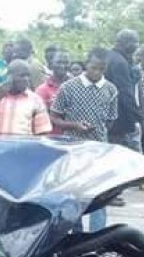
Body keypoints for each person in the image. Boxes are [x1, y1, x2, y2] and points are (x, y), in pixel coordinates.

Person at [50, 48, 119, 231]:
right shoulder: (69, 87)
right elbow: (55, 117)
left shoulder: (110, 89)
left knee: (99, 194)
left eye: (101, 69)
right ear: (86, 64)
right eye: (94, 67)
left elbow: (111, 120)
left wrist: (99, 135)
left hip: (98, 150)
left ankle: (97, 236)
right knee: (74, 195)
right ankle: (76, 233)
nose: (97, 72)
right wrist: (74, 125)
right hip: (73, 149)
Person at [105, 29, 143, 152]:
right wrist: (140, 118)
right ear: (124, 42)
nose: (137, 46)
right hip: (120, 119)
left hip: (108, 117)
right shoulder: (119, 62)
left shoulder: (111, 57)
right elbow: (125, 94)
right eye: (135, 42)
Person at [0, 60, 52, 136]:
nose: (26, 79)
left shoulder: (35, 100)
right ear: (9, 76)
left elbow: (43, 131)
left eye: (28, 75)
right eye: (22, 75)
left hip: (24, 146)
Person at [35, 49, 70, 135]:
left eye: (66, 62)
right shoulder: (42, 90)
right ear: (51, 65)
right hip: (53, 139)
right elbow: (42, 117)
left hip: (75, 138)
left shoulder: (76, 87)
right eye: (59, 62)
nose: (62, 65)